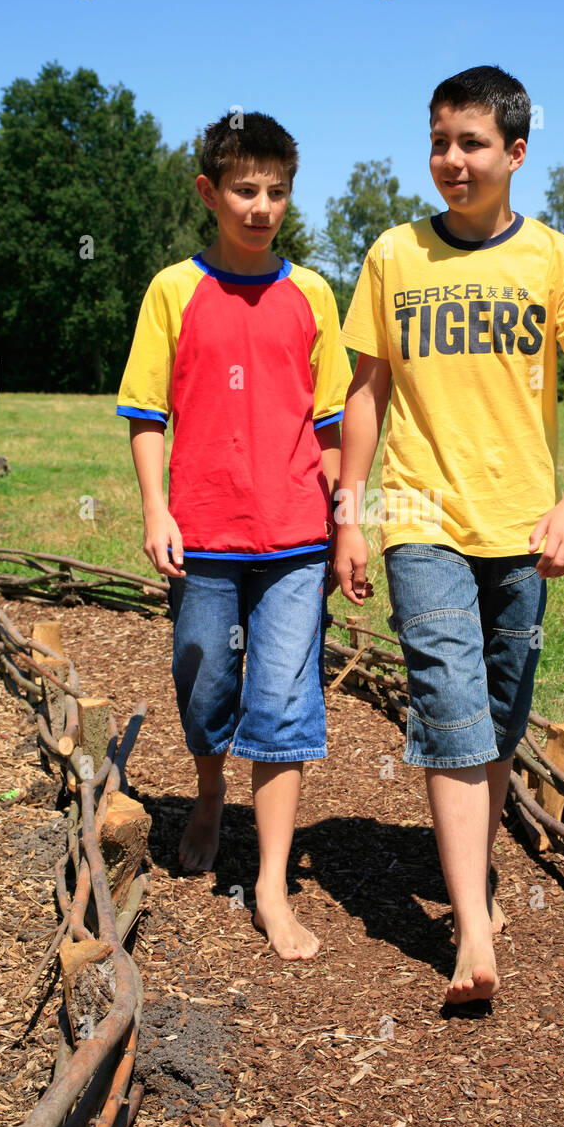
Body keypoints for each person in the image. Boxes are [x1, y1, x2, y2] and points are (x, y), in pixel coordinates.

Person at [335, 66, 564, 1005]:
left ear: (516, 153)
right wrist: (351, 507)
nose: (451, 162)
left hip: (523, 522)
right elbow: (367, 390)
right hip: (420, 516)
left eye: (472, 144)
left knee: (497, 713)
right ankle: (469, 935)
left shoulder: (556, 260)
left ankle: (478, 879)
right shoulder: (393, 256)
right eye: (439, 142)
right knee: (450, 707)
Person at [117, 110, 351, 960]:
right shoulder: (173, 291)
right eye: (244, 190)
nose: (261, 206)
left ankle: (271, 886)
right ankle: (211, 789)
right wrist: (156, 509)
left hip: (295, 535)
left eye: (277, 191)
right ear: (209, 193)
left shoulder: (314, 294)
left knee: (284, 703)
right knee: (205, 683)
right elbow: (147, 415)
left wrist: (346, 524)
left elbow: (329, 424)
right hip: (204, 536)